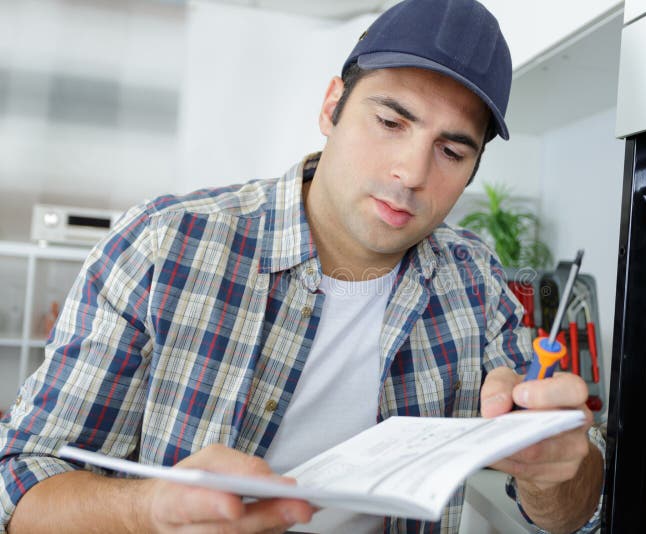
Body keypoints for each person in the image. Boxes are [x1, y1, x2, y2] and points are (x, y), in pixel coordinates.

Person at [0, 0, 604, 532]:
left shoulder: (475, 282)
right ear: (332, 106)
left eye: (450, 151)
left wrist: (551, 468)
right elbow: (19, 483)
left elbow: (572, 513)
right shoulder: (164, 246)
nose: (411, 173)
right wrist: (148, 513)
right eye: (390, 122)